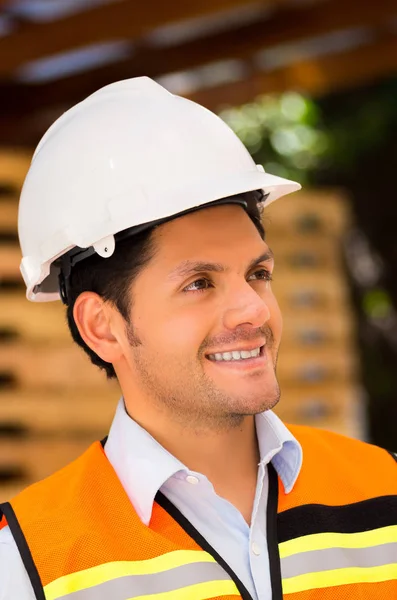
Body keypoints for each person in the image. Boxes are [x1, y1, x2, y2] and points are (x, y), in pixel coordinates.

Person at [0, 77, 396, 600]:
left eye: (258, 273)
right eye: (199, 284)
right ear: (102, 326)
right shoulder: (27, 565)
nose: (255, 309)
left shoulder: (383, 488)